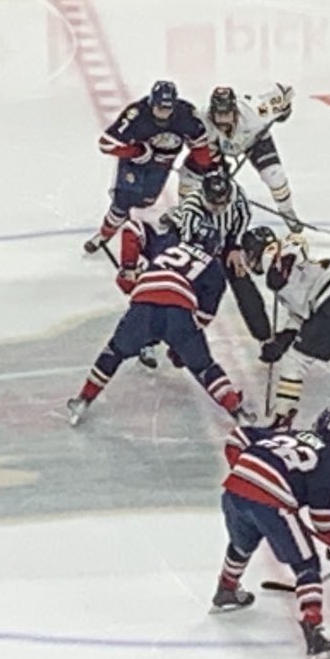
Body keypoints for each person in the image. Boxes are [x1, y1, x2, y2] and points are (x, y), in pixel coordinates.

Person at [68, 227, 250, 425]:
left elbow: (135, 235)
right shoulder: (214, 268)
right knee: (204, 367)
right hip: (178, 311)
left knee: (114, 351)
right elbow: (204, 316)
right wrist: (181, 346)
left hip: (144, 303)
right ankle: (236, 409)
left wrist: (129, 272)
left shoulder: (170, 246)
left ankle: (84, 399)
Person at [210, 410, 330, 659]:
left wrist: (244, 470)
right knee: (306, 565)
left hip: (234, 488)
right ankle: (314, 633)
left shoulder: (286, 434)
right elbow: (324, 520)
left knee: (242, 543)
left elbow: (237, 436)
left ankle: (226, 589)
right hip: (272, 503)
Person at [246, 227, 330, 425]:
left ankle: (282, 419)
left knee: (294, 362)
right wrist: (281, 341)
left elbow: (295, 246)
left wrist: (278, 266)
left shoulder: (273, 253)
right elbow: (301, 317)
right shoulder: (284, 279)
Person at [87, 79, 214, 251]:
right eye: (160, 108)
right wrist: (137, 152)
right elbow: (105, 144)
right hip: (135, 164)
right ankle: (104, 234)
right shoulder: (136, 114)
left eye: (168, 109)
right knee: (122, 201)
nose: (164, 113)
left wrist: (207, 168)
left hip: (162, 166)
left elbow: (200, 144)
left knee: (146, 201)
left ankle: (119, 215)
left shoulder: (186, 114)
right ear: (152, 103)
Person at [196, 83, 300, 227]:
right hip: (219, 145)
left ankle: (286, 210)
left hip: (254, 141)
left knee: (275, 177)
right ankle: (204, 210)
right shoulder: (202, 117)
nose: (222, 121)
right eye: (218, 115)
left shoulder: (256, 111)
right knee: (209, 181)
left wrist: (284, 110)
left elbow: (285, 92)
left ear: (235, 110)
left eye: (226, 114)